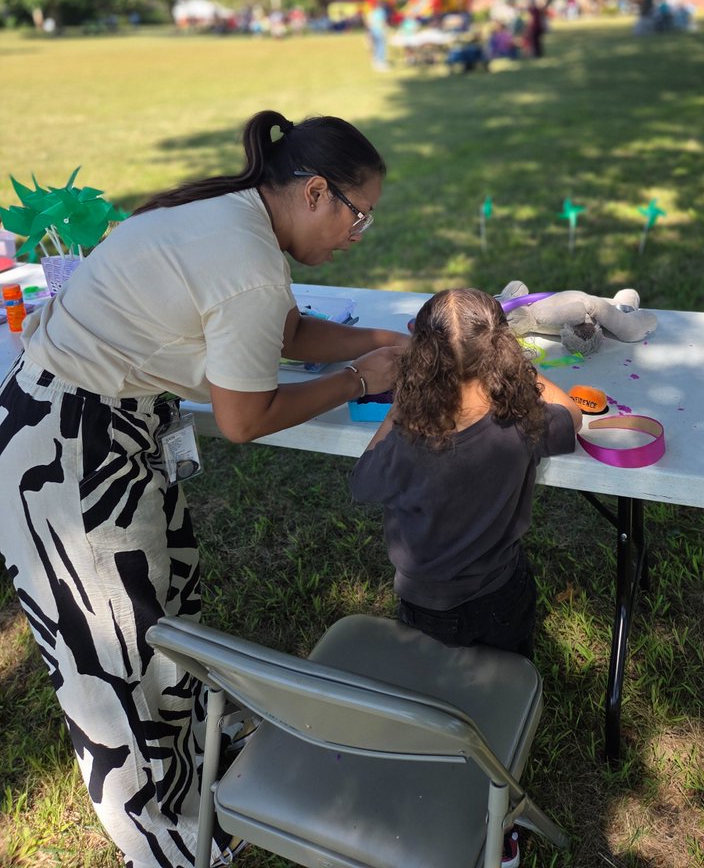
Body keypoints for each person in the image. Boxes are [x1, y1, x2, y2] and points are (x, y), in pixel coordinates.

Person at [0, 109, 406, 868]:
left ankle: (197, 766)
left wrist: (383, 341)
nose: (360, 231)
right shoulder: (248, 262)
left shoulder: (235, 217)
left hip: (84, 420)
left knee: (163, 616)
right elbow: (244, 418)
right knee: (118, 657)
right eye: (360, 215)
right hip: (67, 456)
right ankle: (170, 843)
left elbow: (281, 333)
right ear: (315, 192)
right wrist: (358, 379)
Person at [351, 287, 582, 659]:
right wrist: (522, 372)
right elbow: (572, 416)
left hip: (421, 598)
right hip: (501, 590)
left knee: (428, 679)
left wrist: (402, 406)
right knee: (504, 675)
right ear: (502, 351)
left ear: (421, 357)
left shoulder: (407, 440)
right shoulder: (522, 424)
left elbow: (364, 481)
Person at [365, 1, 389, 72]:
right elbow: (383, 22)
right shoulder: (381, 12)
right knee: (381, 46)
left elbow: (368, 23)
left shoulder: (371, 12)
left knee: (376, 46)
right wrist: (386, 30)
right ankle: (380, 62)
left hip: (373, 31)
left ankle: (376, 61)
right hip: (379, 31)